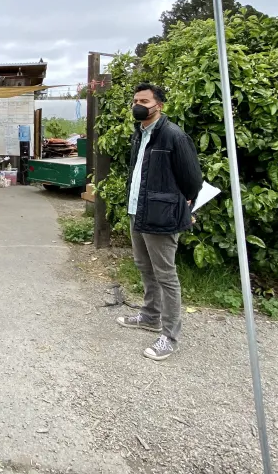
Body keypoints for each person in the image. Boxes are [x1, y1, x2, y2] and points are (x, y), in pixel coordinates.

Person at [117, 83, 202, 361]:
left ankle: (169, 335)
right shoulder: (139, 135)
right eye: (134, 100)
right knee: (144, 266)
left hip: (162, 214)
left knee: (166, 274)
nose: (137, 105)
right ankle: (150, 315)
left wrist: (182, 203)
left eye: (143, 100)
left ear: (159, 105)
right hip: (138, 210)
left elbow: (192, 180)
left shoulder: (173, 136)